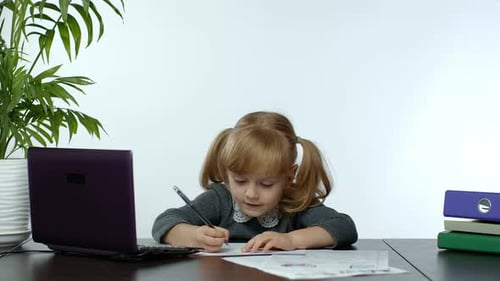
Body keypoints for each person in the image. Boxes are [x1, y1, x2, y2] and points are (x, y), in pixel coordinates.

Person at [152, 111, 358, 252]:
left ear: (289, 177)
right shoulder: (221, 199)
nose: (251, 193)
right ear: (226, 173)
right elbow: (165, 222)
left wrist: (292, 240)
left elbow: (344, 226)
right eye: (240, 181)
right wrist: (195, 236)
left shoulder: (294, 203)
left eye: (266, 184)